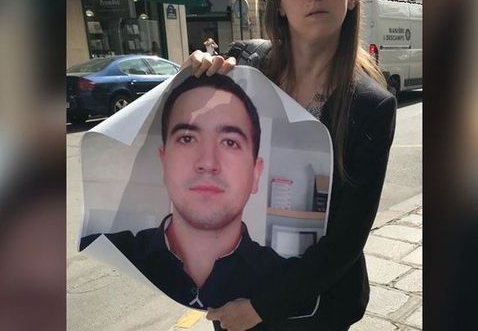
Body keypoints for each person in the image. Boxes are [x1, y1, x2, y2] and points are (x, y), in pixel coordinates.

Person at [182, 0, 397, 330]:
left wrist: (262, 307)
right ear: (277, 0)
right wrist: (194, 77)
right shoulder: (245, 64)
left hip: (318, 306)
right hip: (236, 281)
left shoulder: (372, 106)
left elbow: (346, 240)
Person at [80, 74, 317, 320]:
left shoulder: (283, 278)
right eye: (187, 138)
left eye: (229, 142)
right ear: (164, 162)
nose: (207, 163)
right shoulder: (110, 251)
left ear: (255, 174)